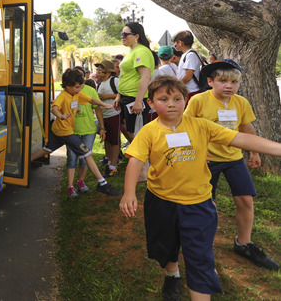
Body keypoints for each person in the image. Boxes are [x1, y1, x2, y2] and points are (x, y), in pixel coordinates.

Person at [120, 75, 281, 301]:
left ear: (185, 101)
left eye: (177, 98)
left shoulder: (201, 126)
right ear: (151, 103)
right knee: (166, 246)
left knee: (200, 259)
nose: (171, 104)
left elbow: (241, 139)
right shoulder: (149, 131)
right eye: (163, 99)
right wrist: (129, 193)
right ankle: (172, 274)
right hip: (161, 202)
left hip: (198, 204)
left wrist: (278, 149)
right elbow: (135, 161)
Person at [184, 60, 279, 271]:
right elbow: (186, 127)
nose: (229, 86)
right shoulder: (198, 100)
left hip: (234, 158)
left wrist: (253, 151)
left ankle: (243, 244)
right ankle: (203, 249)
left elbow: (247, 127)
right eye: (223, 80)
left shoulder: (241, 102)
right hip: (208, 160)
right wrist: (198, 149)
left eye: (234, 82)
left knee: (245, 199)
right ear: (210, 81)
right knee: (206, 205)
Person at [31, 69, 121, 197]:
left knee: (46, 149)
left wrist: (103, 104)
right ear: (68, 86)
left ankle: (24, 162)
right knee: (87, 153)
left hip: (58, 131)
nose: (80, 89)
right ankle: (103, 183)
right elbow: (54, 108)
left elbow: (92, 100)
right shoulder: (63, 96)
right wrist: (61, 115)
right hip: (65, 132)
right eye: (78, 87)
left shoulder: (76, 94)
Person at [65, 69, 105, 197]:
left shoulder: (90, 90)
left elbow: (98, 110)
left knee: (85, 158)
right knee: (71, 159)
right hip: (72, 131)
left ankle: (80, 182)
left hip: (89, 130)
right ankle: (70, 186)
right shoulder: (67, 91)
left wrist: (102, 128)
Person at [114, 22, 155, 142]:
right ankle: (141, 158)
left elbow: (145, 77)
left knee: (139, 135)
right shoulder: (132, 52)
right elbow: (127, 76)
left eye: (125, 34)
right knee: (132, 131)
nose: (122, 36)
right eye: (122, 34)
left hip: (135, 99)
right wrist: (119, 95)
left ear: (136, 36)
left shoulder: (141, 51)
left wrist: (138, 102)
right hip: (128, 98)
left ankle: (145, 159)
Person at [95, 60, 121, 177]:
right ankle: (109, 161)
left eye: (101, 68)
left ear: (108, 71)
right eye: (98, 68)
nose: (98, 70)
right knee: (107, 139)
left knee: (115, 140)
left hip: (114, 114)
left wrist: (107, 96)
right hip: (104, 116)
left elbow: (121, 93)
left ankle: (113, 166)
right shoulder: (99, 85)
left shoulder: (114, 81)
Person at [173, 30, 205, 100]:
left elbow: (188, 76)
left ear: (181, 43)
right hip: (188, 91)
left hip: (191, 91)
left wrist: (176, 86)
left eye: (175, 44)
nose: (174, 46)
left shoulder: (190, 55)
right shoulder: (187, 54)